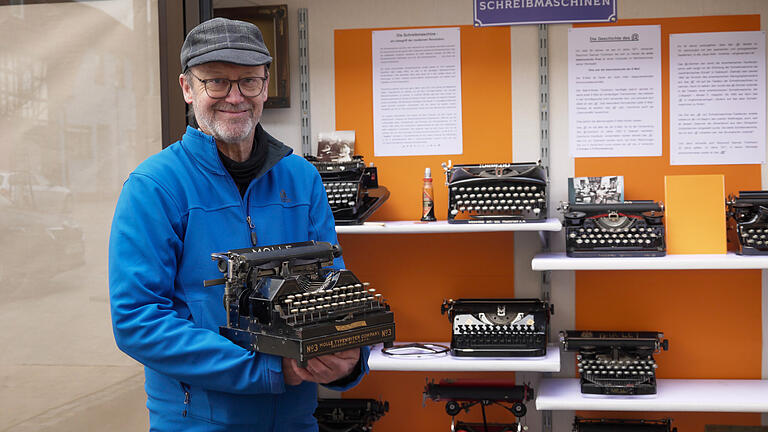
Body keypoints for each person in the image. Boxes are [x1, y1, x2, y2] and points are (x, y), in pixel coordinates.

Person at [108, 17, 368, 431]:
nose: (235, 97)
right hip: (196, 422)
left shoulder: (303, 178)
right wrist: (265, 369)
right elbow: (139, 321)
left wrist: (348, 355)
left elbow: (331, 288)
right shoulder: (154, 187)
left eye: (249, 81)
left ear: (265, 86)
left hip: (295, 420)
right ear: (187, 89)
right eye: (216, 82)